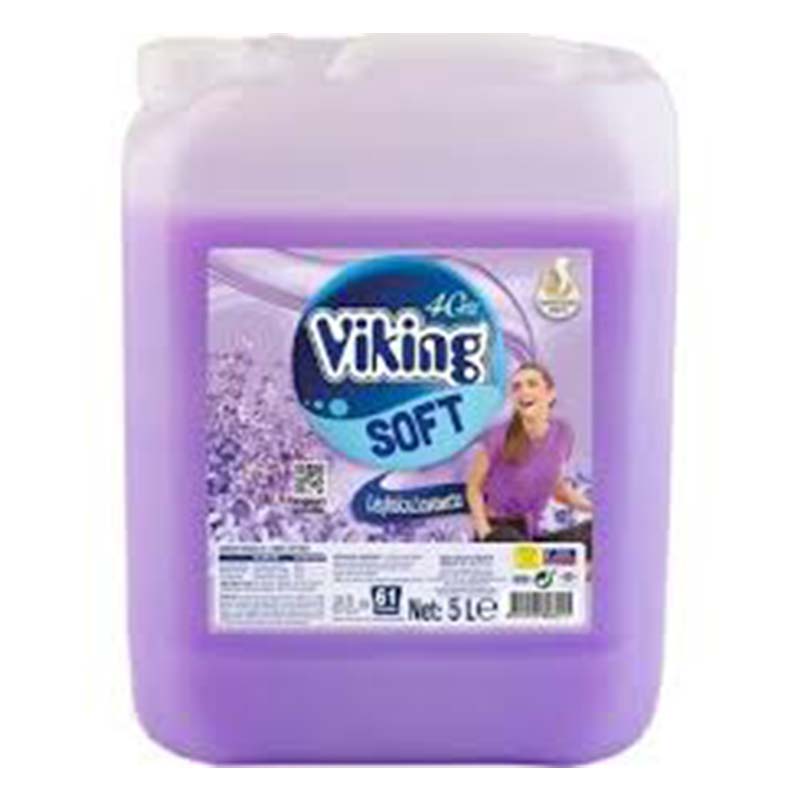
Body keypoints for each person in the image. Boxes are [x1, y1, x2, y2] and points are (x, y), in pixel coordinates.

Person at [466, 362, 592, 543]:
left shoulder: (563, 433)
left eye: (532, 384)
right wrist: (485, 533)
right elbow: (474, 488)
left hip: (531, 534)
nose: (523, 391)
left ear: (550, 393)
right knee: (514, 544)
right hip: (499, 530)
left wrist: (594, 507)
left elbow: (558, 489)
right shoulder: (497, 437)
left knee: (593, 532)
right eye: (517, 387)